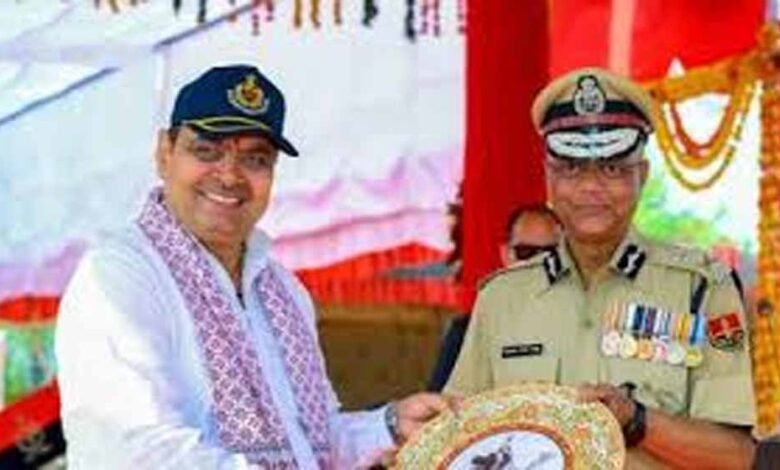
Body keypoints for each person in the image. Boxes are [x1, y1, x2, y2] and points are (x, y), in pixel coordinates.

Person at [55, 65, 454, 469]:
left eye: (255, 159)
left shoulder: (281, 288)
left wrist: (388, 426)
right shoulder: (121, 276)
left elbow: (311, 440)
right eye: (206, 150)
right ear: (164, 153)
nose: (230, 175)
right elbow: (136, 452)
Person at [445, 68, 756, 468]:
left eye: (612, 169)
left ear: (642, 175)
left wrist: (637, 421)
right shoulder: (501, 298)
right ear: (549, 177)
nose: (591, 187)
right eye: (571, 169)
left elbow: (737, 457)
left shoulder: (703, 289)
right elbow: (455, 439)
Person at [427, 204, 560, 392]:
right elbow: (443, 402)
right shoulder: (468, 328)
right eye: (526, 253)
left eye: (550, 254)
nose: (537, 264)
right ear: (506, 255)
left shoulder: (581, 319)